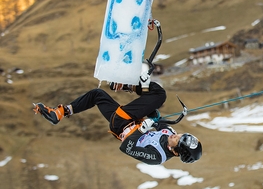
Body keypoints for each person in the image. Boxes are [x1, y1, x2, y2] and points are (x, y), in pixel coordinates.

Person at [33, 63, 202, 165]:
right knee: (96, 95)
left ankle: (129, 84)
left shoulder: (157, 156)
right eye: (181, 135)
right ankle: (60, 113)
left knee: (160, 95)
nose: (176, 135)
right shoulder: (170, 134)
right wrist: (159, 119)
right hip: (130, 119)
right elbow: (158, 121)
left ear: (176, 152)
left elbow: (126, 147)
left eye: (178, 140)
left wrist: (142, 129)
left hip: (122, 125)